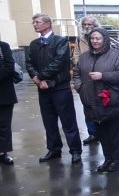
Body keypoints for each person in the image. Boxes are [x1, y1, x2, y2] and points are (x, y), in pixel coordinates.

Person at [25, 13, 83, 164]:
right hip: (43, 89)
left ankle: (75, 150)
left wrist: (41, 77)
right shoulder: (34, 44)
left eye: (37, 22)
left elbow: (58, 62)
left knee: (68, 121)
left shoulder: (60, 41)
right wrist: (37, 79)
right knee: (49, 121)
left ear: (48, 24)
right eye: (34, 22)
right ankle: (54, 149)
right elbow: (29, 63)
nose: (34, 25)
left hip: (60, 88)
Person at [73, 28, 119, 173]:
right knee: (101, 133)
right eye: (92, 38)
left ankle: (116, 160)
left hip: (111, 101)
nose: (95, 41)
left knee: (113, 133)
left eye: (98, 38)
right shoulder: (84, 56)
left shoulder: (116, 56)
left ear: (104, 39)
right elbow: (77, 73)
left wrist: (103, 76)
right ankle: (107, 159)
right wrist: (79, 87)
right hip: (91, 101)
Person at [74, 15, 101, 146]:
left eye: (89, 24)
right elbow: (75, 56)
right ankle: (92, 133)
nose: (86, 26)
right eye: (84, 24)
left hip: (100, 78)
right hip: (85, 78)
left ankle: (101, 131)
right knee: (87, 107)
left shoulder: (102, 37)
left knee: (101, 105)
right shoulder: (81, 39)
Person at [0, 39, 17, 165]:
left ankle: (3, 153)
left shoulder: (3, 46)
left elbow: (9, 66)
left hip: (4, 93)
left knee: (4, 125)